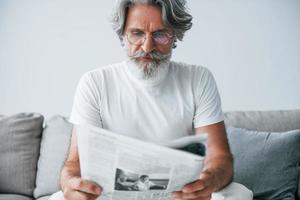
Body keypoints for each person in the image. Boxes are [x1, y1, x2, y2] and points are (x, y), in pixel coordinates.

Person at [50, 0, 253, 200]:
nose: (147, 47)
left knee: (238, 194)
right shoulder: (94, 82)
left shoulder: (198, 79)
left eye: (160, 34)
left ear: (174, 36)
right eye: (137, 33)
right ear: (123, 35)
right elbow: (75, 162)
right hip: (109, 196)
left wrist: (205, 183)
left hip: (180, 196)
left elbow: (220, 158)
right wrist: (70, 184)